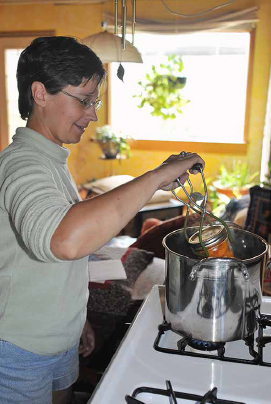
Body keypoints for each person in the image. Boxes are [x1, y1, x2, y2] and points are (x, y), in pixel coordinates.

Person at [0, 36, 204, 404]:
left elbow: (60, 261)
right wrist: (156, 177)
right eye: (83, 99)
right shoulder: (21, 164)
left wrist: (77, 320)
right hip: (19, 350)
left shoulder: (51, 160)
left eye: (95, 101)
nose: (92, 113)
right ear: (40, 93)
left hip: (57, 339)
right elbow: (64, 241)